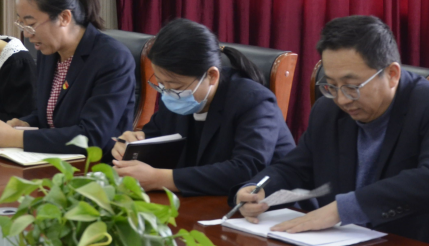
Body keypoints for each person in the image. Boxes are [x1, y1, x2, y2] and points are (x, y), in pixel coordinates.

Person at [235, 15, 429, 246]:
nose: (342, 99)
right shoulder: (327, 110)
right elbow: (295, 167)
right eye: (331, 85)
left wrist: (342, 209)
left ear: (392, 74)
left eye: (352, 86)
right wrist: (258, 188)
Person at [111, 19, 296, 196]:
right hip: (201, 202)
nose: (167, 93)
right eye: (160, 83)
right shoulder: (174, 96)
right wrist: (131, 145)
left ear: (212, 76)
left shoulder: (253, 101)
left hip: (269, 205)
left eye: (176, 86)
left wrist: (161, 179)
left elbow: (246, 169)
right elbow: (155, 139)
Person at [0, 0, 135, 157]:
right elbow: (47, 114)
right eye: (21, 23)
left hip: (94, 166)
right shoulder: (49, 52)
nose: (27, 34)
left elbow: (92, 135)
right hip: (51, 158)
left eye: (31, 24)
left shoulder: (112, 58)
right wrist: (26, 123)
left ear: (64, 18)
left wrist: (17, 138)